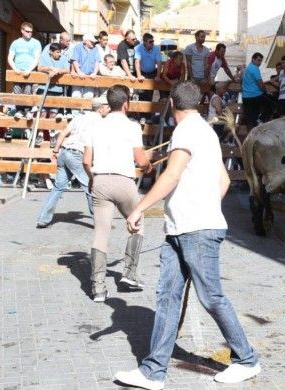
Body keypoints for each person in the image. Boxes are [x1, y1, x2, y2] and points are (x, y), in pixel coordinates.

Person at [114, 80, 261, 390]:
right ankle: (154, 371)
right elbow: (222, 179)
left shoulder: (184, 131)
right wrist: (205, 206)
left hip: (195, 230)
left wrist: (139, 208)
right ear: (198, 103)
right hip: (181, 228)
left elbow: (172, 174)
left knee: (211, 297)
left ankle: (247, 360)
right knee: (168, 296)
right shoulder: (207, 131)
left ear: (172, 105)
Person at [82, 85, 153, 302]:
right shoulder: (132, 127)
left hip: (101, 179)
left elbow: (86, 161)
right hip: (124, 181)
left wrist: (93, 179)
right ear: (126, 104)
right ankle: (129, 274)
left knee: (101, 233)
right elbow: (141, 161)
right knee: (137, 224)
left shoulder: (94, 127)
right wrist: (149, 167)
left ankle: (98, 288)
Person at [36, 97, 110, 228]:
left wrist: (55, 150)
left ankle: (43, 219)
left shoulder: (79, 117)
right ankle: (99, 222)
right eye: (107, 107)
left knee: (58, 187)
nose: (109, 110)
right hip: (77, 154)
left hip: (64, 151)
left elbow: (63, 133)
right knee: (90, 188)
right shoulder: (100, 121)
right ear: (101, 108)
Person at [7, 22, 42, 120]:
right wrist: (15, 69)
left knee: (27, 90)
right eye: (27, 31)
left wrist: (29, 69)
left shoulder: (36, 43)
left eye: (31, 32)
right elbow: (10, 57)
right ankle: (19, 110)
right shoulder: (16, 43)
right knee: (17, 90)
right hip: (18, 71)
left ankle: (27, 111)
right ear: (22, 31)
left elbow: (37, 58)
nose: (29, 33)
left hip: (29, 71)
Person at [37, 43, 70, 119]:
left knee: (53, 113)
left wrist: (57, 71)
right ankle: (41, 131)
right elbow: (39, 68)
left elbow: (67, 69)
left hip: (57, 90)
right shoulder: (44, 57)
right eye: (57, 52)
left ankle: (51, 130)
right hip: (43, 88)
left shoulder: (63, 58)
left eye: (60, 52)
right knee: (42, 113)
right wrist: (50, 69)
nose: (59, 54)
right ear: (51, 52)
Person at [241, 52, 268, 131]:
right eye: (258, 60)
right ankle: (261, 120)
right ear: (253, 59)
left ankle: (250, 137)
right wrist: (265, 91)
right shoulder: (255, 68)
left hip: (246, 97)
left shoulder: (247, 68)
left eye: (260, 61)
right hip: (256, 96)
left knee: (250, 119)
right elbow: (260, 83)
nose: (259, 63)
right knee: (271, 105)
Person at [70, 33, 100, 101]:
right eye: (92, 41)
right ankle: (75, 112)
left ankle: (87, 111)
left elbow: (97, 61)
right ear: (86, 41)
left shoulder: (96, 49)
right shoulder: (78, 47)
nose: (93, 43)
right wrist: (79, 72)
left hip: (90, 76)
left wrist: (95, 73)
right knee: (76, 97)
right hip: (78, 76)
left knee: (88, 97)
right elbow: (74, 60)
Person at [134, 33, 162, 101]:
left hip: (152, 73)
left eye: (153, 41)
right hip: (142, 73)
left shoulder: (156, 49)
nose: (152, 43)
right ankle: (141, 111)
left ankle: (148, 111)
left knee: (150, 94)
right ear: (145, 42)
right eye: (150, 42)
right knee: (141, 94)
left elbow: (159, 63)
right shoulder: (138, 48)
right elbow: (137, 62)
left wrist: (158, 76)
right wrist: (139, 75)